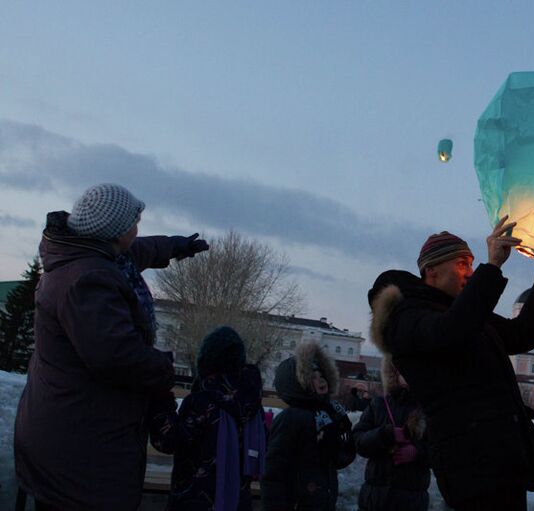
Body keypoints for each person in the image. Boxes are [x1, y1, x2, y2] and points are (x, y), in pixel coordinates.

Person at [14, 183, 209, 511]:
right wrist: (166, 368)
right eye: (133, 222)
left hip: (72, 426)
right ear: (115, 232)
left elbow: (138, 250)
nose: (136, 229)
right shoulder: (87, 281)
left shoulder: (91, 254)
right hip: (79, 445)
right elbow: (117, 357)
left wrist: (174, 247)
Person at [367, 226, 534, 510]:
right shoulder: (406, 318)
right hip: (469, 463)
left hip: (501, 458)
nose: (469, 272)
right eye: (462, 264)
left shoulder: (458, 311)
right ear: (432, 271)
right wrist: (491, 268)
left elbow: (521, 334)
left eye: (472, 264)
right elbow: (452, 331)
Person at [149, 326, 267, 511]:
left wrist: (161, 400)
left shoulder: (201, 402)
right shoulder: (253, 404)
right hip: (238, 501)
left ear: (206, 362)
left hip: (195, 499)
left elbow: (168, 440)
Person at [261, 342, 356, 511]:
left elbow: (335, 461)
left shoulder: (329, 415)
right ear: (299, 384)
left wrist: (344, 441)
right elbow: (273, 473)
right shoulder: (291, 418)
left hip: (322, 502)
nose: (320, 380)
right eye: (312, 377)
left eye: (321, 375)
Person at [352, 355, 430, 511]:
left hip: (412, 501)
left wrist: (417, 452)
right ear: (394, 372)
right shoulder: (378, 405)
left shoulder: (429, 409)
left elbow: (442, 449)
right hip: (375, 499)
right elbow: (358, 441)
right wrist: (384, 435)